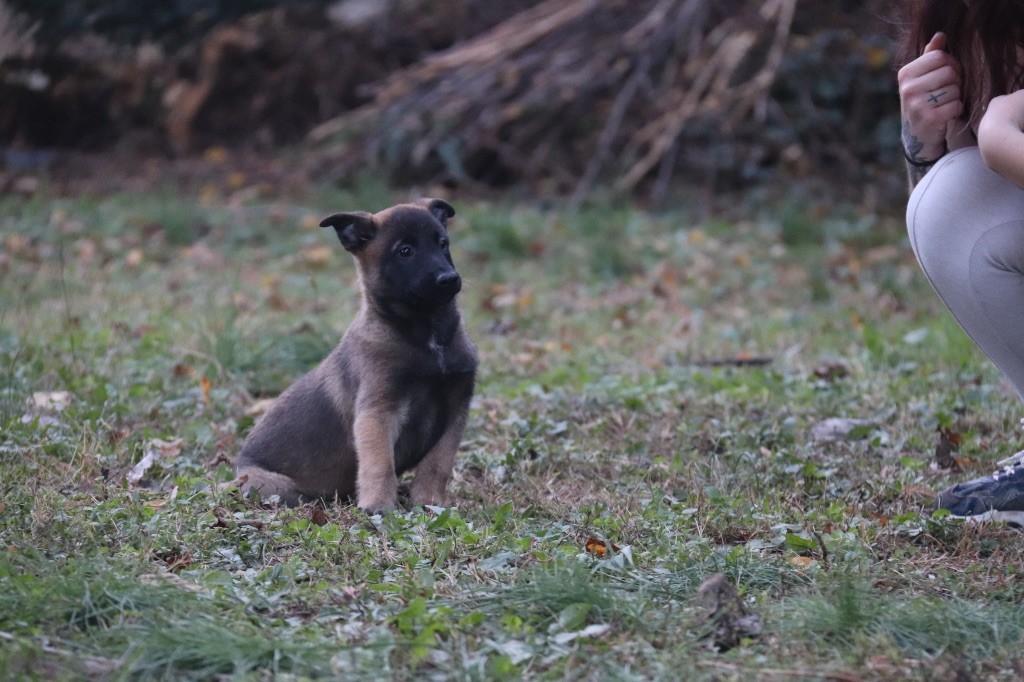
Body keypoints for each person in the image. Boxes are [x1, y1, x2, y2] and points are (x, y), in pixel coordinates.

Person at [899, 0, 1024, 523]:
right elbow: (950, 219)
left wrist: (1002, 140)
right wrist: (923, 147)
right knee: (953, 200)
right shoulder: (974, 22)